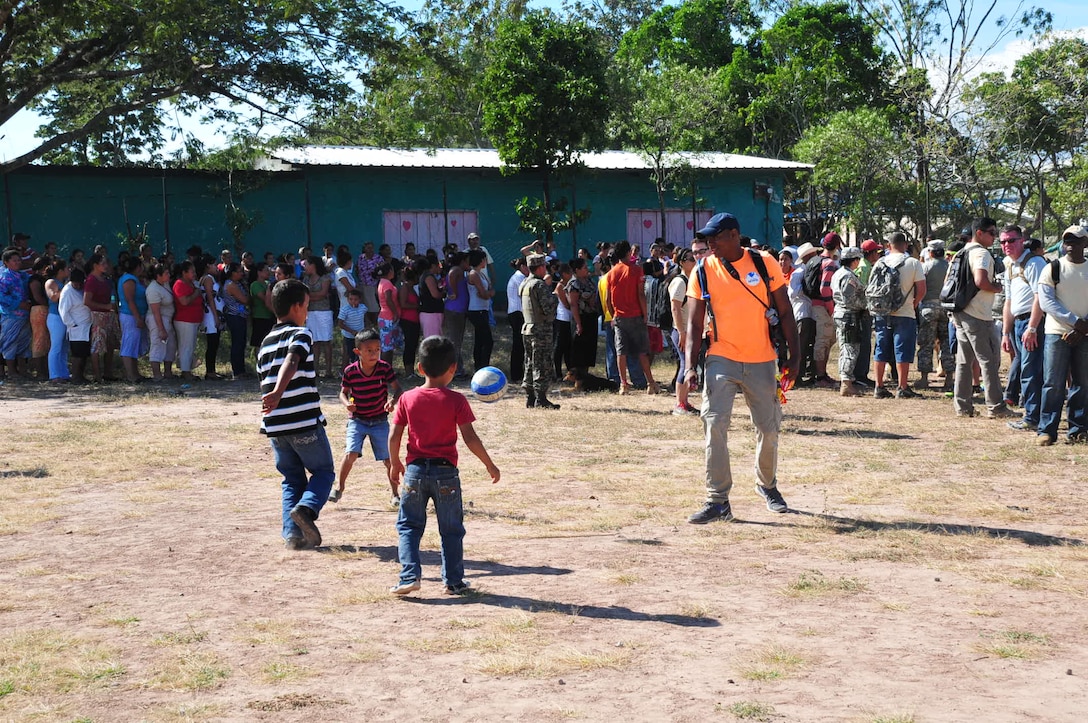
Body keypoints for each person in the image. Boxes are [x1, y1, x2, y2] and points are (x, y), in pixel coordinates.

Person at [683, 213, 799, 524]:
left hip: (762, 359)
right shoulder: (703, 271)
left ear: (734, 235)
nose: (710, 244)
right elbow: (694, 325)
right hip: (721, 357)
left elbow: (785, 311)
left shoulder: (764, 263)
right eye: (707, 239)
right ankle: (717, 499)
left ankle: (768, 485)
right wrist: (689, 366)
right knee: (714, 423)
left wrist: (795, 356)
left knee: (768, 427)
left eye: (716, 238)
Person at [387, 335, 500, 595]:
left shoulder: (407, 399)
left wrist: (394, 464)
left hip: (414, 472)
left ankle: (408, 577)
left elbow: (394, 435)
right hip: (446, 474)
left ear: (419, 368)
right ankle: (453, 581)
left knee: (409, 526)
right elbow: (470, 437)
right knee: (451, 529)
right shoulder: (456, 400)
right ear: (453, 369)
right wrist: (489, 465)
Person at [258, 278, 335, 551]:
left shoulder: (265, 342)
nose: (307, 312)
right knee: (324, 472)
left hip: (275, 426)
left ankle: (293, 536)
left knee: (291, 479)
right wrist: (280, 391)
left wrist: (275, 397)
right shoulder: (301, 334)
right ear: (296, 306)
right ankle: (306, 510)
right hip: (303, 421)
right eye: (307, 305)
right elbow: (292, 360)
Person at [951, 218, 1017, 419]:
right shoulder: (980, 252)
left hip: (961, 312)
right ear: (979, 233)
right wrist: (996, 287)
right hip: (977, 314)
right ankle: (996, 407)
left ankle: (962, 406)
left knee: (964, 361)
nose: (995, 237)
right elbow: (980, 281)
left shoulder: (961, 252)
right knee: (988, 360)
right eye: (991, 233)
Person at [332, 328, 403, 504]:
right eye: (369, 350)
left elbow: (398, 389)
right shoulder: (350, 371)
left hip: (379, 420)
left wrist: (392, 402)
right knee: (351, 453)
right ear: (358, 351)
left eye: (377, 349)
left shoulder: (384, 368)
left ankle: (395, 494)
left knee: (388, 459)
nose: (374, 353)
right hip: (358, 420)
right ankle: (339, 487)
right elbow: (342, 393)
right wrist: (346, 403)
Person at [1036, 225, 1088, 446]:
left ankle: (1077, 430)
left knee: (1082, 383)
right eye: (1067, 241)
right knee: (1053, 383)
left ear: (1085, 243)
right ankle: (1047, 430)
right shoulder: (1053, 268)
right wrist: (1075, 323)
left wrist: (1083, 327)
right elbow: (1047, 301)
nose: (1070, 245)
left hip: (1085, 333)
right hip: (1057, 333)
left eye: (1075, 241)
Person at [999, 225, 1047, 432]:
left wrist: (1033, 328)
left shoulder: (1034, 262)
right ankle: (1033, 414)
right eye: (1003, 242)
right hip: (1018, 324)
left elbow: (1040, 297)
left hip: (1032, 323)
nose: (1007, 245)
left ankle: (1032, 417)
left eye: (1011, 240)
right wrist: (1005, 333)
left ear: (1022, 240)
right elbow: (1008, 301)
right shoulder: (1010, 264)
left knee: (1030, 372)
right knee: (1027, 370)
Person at [871, 232, 926, 399]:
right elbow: (922, 289)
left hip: (882, 312)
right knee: (903, 349)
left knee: (880, 348)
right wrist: (913, 304)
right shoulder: (913, 263)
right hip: (905, 312)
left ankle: (878, 386)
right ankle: (902, 387)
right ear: (906, 245)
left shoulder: (880, 262)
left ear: (889, 245)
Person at [605, 240, 659, 395]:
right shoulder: (636, 270)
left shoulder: (612, 272)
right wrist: (645, 314)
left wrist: (613, 313)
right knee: (642, 350)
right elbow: (641, 294)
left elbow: (608, 299)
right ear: (629, 252)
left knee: (621, 351)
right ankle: (650, 382)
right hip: (635, 315)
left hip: (619, 317)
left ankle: (623, 384)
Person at [520, 253, 561, 409]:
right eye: (544, 266)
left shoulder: (525, 283)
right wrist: (555, 296)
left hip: (527, 328)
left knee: (530, 362)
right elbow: (547, 307)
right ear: (540, 267)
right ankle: (541, 398)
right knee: (542, 363)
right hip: (540, 330)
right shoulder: (539, 285)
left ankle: (530, 397)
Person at [916, 239, 953, 391]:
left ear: (930, 252)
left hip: (928, 308)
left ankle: (924, 378)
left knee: (926, 343)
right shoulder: (949, 267)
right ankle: (949, 378)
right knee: (946, 343)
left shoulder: (925, 267)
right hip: (946, 307)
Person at [831, 247, 867, 396]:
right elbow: (849, 299)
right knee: (850, 349)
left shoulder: (838, 273)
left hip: (842, 314)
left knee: (846, 348)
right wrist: (865, 305)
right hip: (849, 315)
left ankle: (846, 381)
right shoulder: (848, 277)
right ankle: (846, 384)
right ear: (854, 260)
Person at [669, 247, 698, 413]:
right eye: (690, 258)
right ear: (681, 262)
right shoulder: (680, 282)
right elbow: (675, 308)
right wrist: (681, 332)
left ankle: (684, 401)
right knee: (683, 365)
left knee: (688, 365)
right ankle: (679, 404)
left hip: (689, 330)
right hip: (681, 330)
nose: (694, 261)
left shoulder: (691, 279)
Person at [788, 243, 819, 385]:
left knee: (809, 344)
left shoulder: (811, 270)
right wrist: (805, 290)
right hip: (802, 311)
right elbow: (792, 293)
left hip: (810, 311)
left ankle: (806, 373)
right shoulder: (798, 272)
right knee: (801, 344)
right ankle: (796, 377)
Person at [0, 248, 31, 378]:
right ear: (6, 262)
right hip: (11, 316)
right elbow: (1, 296)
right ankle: (11, 371)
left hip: (25, 315)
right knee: (10, 342)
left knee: (24, 342)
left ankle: (23, 370)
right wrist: (18, 304)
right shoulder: (4, 277)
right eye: (14, 260)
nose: (18, 262)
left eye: (19, 260)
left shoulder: (23, 276)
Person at [302, 255, 334, 378]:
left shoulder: (325, 278)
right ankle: (315, 370)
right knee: (314, 342)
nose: (305, 267)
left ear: (313, 265)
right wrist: (314, 296)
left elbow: (323, 294)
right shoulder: (306, 279)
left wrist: (310, 296)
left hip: (323, 312)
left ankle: (328, 370)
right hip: (310, 312)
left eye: (307, 264)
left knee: (326, 341)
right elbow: (313, 295)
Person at [172, 261, 204, 382]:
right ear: (184, 273)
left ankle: (187, 369)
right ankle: (185, 372)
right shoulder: (179, 284)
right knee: (186, 346)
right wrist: (196, 293)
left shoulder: (192, 284)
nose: (194, 274)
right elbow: (184, 301)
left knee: (190, 346)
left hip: (193, 320)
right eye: (192, 272)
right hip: (184, 320)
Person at [58, 267, 91, 383]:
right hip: (76, 327)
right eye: (75, 284)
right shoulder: (67, 292)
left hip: (86, 326)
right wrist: (72, 324)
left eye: (80, 283)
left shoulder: (83, 289)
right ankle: (75, 377)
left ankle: (81, 376)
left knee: (84, 354)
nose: (77, 286)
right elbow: (63, 311)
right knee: (77, 354)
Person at [145, 263, 177, 381]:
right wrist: (161, 329)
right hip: (157, 320)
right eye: (166, 273)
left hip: (168, 318)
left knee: (171, 346)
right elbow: (155, 311)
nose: (169, 275)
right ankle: (157, 374)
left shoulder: (165, 284)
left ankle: (168, 372)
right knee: (157, 344)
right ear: (158, 275)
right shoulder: (153, 289)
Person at [465, 249, 494, 372]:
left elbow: (488, 290)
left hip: (484, 309)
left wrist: (488, 293)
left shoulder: (481, 273)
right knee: (488, 341)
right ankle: (482, 366)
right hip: (476, 310)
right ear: (481, 260)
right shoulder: (473, 274)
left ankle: (480, 366)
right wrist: (489, 294)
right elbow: (483, 293)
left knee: (480, 339)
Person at [220, 261, 250, 380]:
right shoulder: (231, 285)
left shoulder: (237, 283)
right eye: (239, 271)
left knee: (241, 342)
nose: (241, 274)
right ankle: (237, 371)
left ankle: (241, 369)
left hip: (240, 315)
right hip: (234, 316)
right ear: (232, 273)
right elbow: (244, 300)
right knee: (237, 343)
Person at [44, 259, 70, 383]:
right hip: (55, 317)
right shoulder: (51, 282)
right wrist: (66, 288)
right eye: (66, 269)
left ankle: (64, 373)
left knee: (64, 347)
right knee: (56, 346)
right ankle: (54, 375)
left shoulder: (64, 282)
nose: (68, 271)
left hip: (65, 317)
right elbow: (54, 297)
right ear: (60, 271)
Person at [506, 257, 528, 384]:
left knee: (520, 344)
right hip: (517, 313)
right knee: (518, 344)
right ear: (523, 267)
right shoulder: (519, 278)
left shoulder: (520, 277)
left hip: (518, 313)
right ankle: (516, 374)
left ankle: (518, 373)